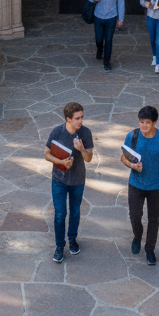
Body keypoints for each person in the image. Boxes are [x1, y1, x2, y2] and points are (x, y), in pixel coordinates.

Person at [119, 105, 159, 266]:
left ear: (155, 122)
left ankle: (150, 249)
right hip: (136, 184)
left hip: (155, 186)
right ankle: (137, 235)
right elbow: (123, 158)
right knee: (135, 216)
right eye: (141, 122)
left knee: (153, 220)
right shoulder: (133, 136)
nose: (144, 126)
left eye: (147, 123)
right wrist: (133, 166)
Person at [44, 101, 94, 263]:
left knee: (75, 211)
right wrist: (60, 163)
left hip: (78, 180)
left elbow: (88, 158)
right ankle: (59, 246)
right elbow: (46, 154)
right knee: (60, 214)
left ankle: (72, 240)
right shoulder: (57, 132)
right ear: (68, 119)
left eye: (82, 117)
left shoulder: (85, 133)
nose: (80, 121)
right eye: (77, 118)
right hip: (59, 180)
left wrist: (80, 149)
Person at [87, 0, 124, 71]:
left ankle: (106, 62)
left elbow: (121, 3)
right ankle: (99, 50)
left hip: (111, 17)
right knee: (99, 39)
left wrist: (120, 19)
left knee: (108, 40)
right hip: (98, 16)